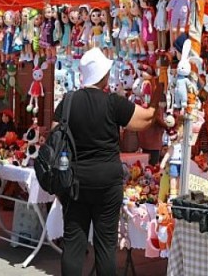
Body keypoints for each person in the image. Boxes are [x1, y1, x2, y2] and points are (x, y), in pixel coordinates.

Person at [54, 48, 160, 276]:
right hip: (106, 183)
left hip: (75, 182)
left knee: (73, 244)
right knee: (105, 246)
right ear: (102, 74)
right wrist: (159, 89)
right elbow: (146, 120)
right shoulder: (113, 103)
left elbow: (54, 136)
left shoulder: (68, 102)